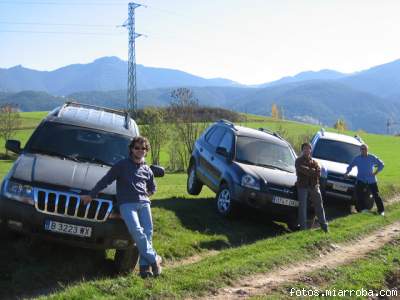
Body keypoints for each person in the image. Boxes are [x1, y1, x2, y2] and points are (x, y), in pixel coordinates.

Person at [81, 136, 162, 278]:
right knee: (136, 231)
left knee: (148, 233)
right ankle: (154, 259)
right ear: (131, 149)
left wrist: (145, 196)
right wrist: (91, 195)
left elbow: (153, 188)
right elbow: (105, 181)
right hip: (126, 205)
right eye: (137, 147)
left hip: (144, 204)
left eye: (143, 148)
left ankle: (144, 269)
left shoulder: (147, 169)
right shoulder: (121, 165)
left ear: (147, 151)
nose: (140, 150)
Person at [295, 142, 328, 232]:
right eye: (305, 148)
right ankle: (303, 229)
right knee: (302, 207)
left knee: (319, 206)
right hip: (302, 186)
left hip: (314, 186)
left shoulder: (314, 162)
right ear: (302, 150)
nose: (307, 150)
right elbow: (301, 169)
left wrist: (308, 170)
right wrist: (311, 171)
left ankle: (324, 227)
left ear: (310, 150)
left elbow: (318, 173)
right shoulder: (298, 161)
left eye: (308, 148)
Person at [344, 144, 385, 215]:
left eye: (364, 149)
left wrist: (376, 172)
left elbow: (381, 164)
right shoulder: (357, 158)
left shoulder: (372, 157)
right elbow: (350, 166)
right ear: (360, 150)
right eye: (362, 149)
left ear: (367, 150)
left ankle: (381, 211)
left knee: (376, 195)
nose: (363, 150)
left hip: (371, 180)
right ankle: (362, 210)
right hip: (361, 179)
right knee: (359, 194)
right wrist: (347, 173)